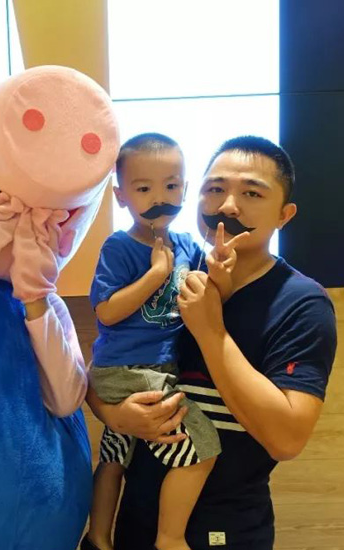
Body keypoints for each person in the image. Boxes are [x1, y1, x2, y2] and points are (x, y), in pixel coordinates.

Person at [87, 136, 338, 549]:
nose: (228, 206)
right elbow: (104, 369)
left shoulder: (301, 303)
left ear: (284, 214)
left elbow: (287, 439)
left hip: (225, 530)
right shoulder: (178, 274)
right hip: (136, 522)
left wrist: (210, 331)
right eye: (216, 189)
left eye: (252, 193)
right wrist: (115, 416)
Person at [82, 133, 244, 550]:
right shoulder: (119, 247)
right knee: (204, 447)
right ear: (121, 196)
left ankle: (97, 539)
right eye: (143, 189)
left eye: (171, 186)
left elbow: (209, 296)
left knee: (115, 458)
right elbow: (106, 312)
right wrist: (156, 275)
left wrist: (221, 272)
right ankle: (169, 539)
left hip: (152, 369)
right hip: (129, 371)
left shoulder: (187, 245)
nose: (160, 198)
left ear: (185, 190)